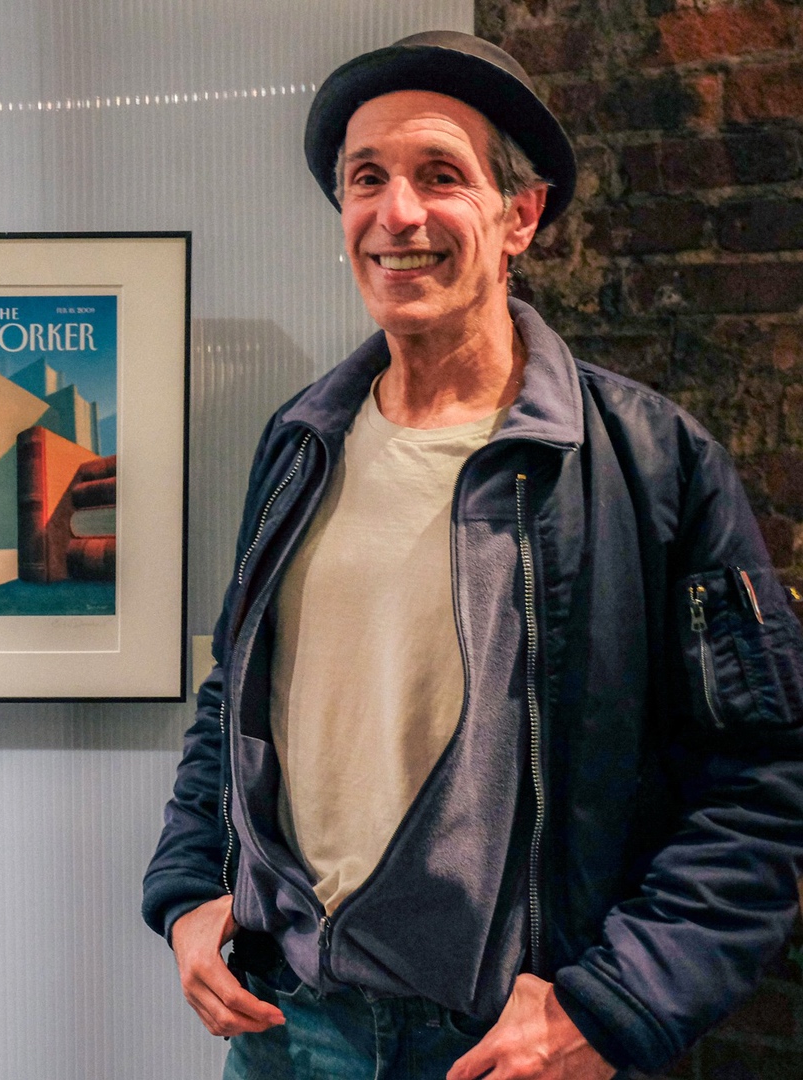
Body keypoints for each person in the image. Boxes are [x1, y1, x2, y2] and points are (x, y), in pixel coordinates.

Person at [143, 31, 803, 1080]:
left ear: (519, 218)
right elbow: (235, 691)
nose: (396, 214)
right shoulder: (301, 442)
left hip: (503, 1046)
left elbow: (762, 785)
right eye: (367, 179)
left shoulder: (651, 462)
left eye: (440, 175)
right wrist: (188, 887)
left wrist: (617, 1004)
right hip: (285, 1030)